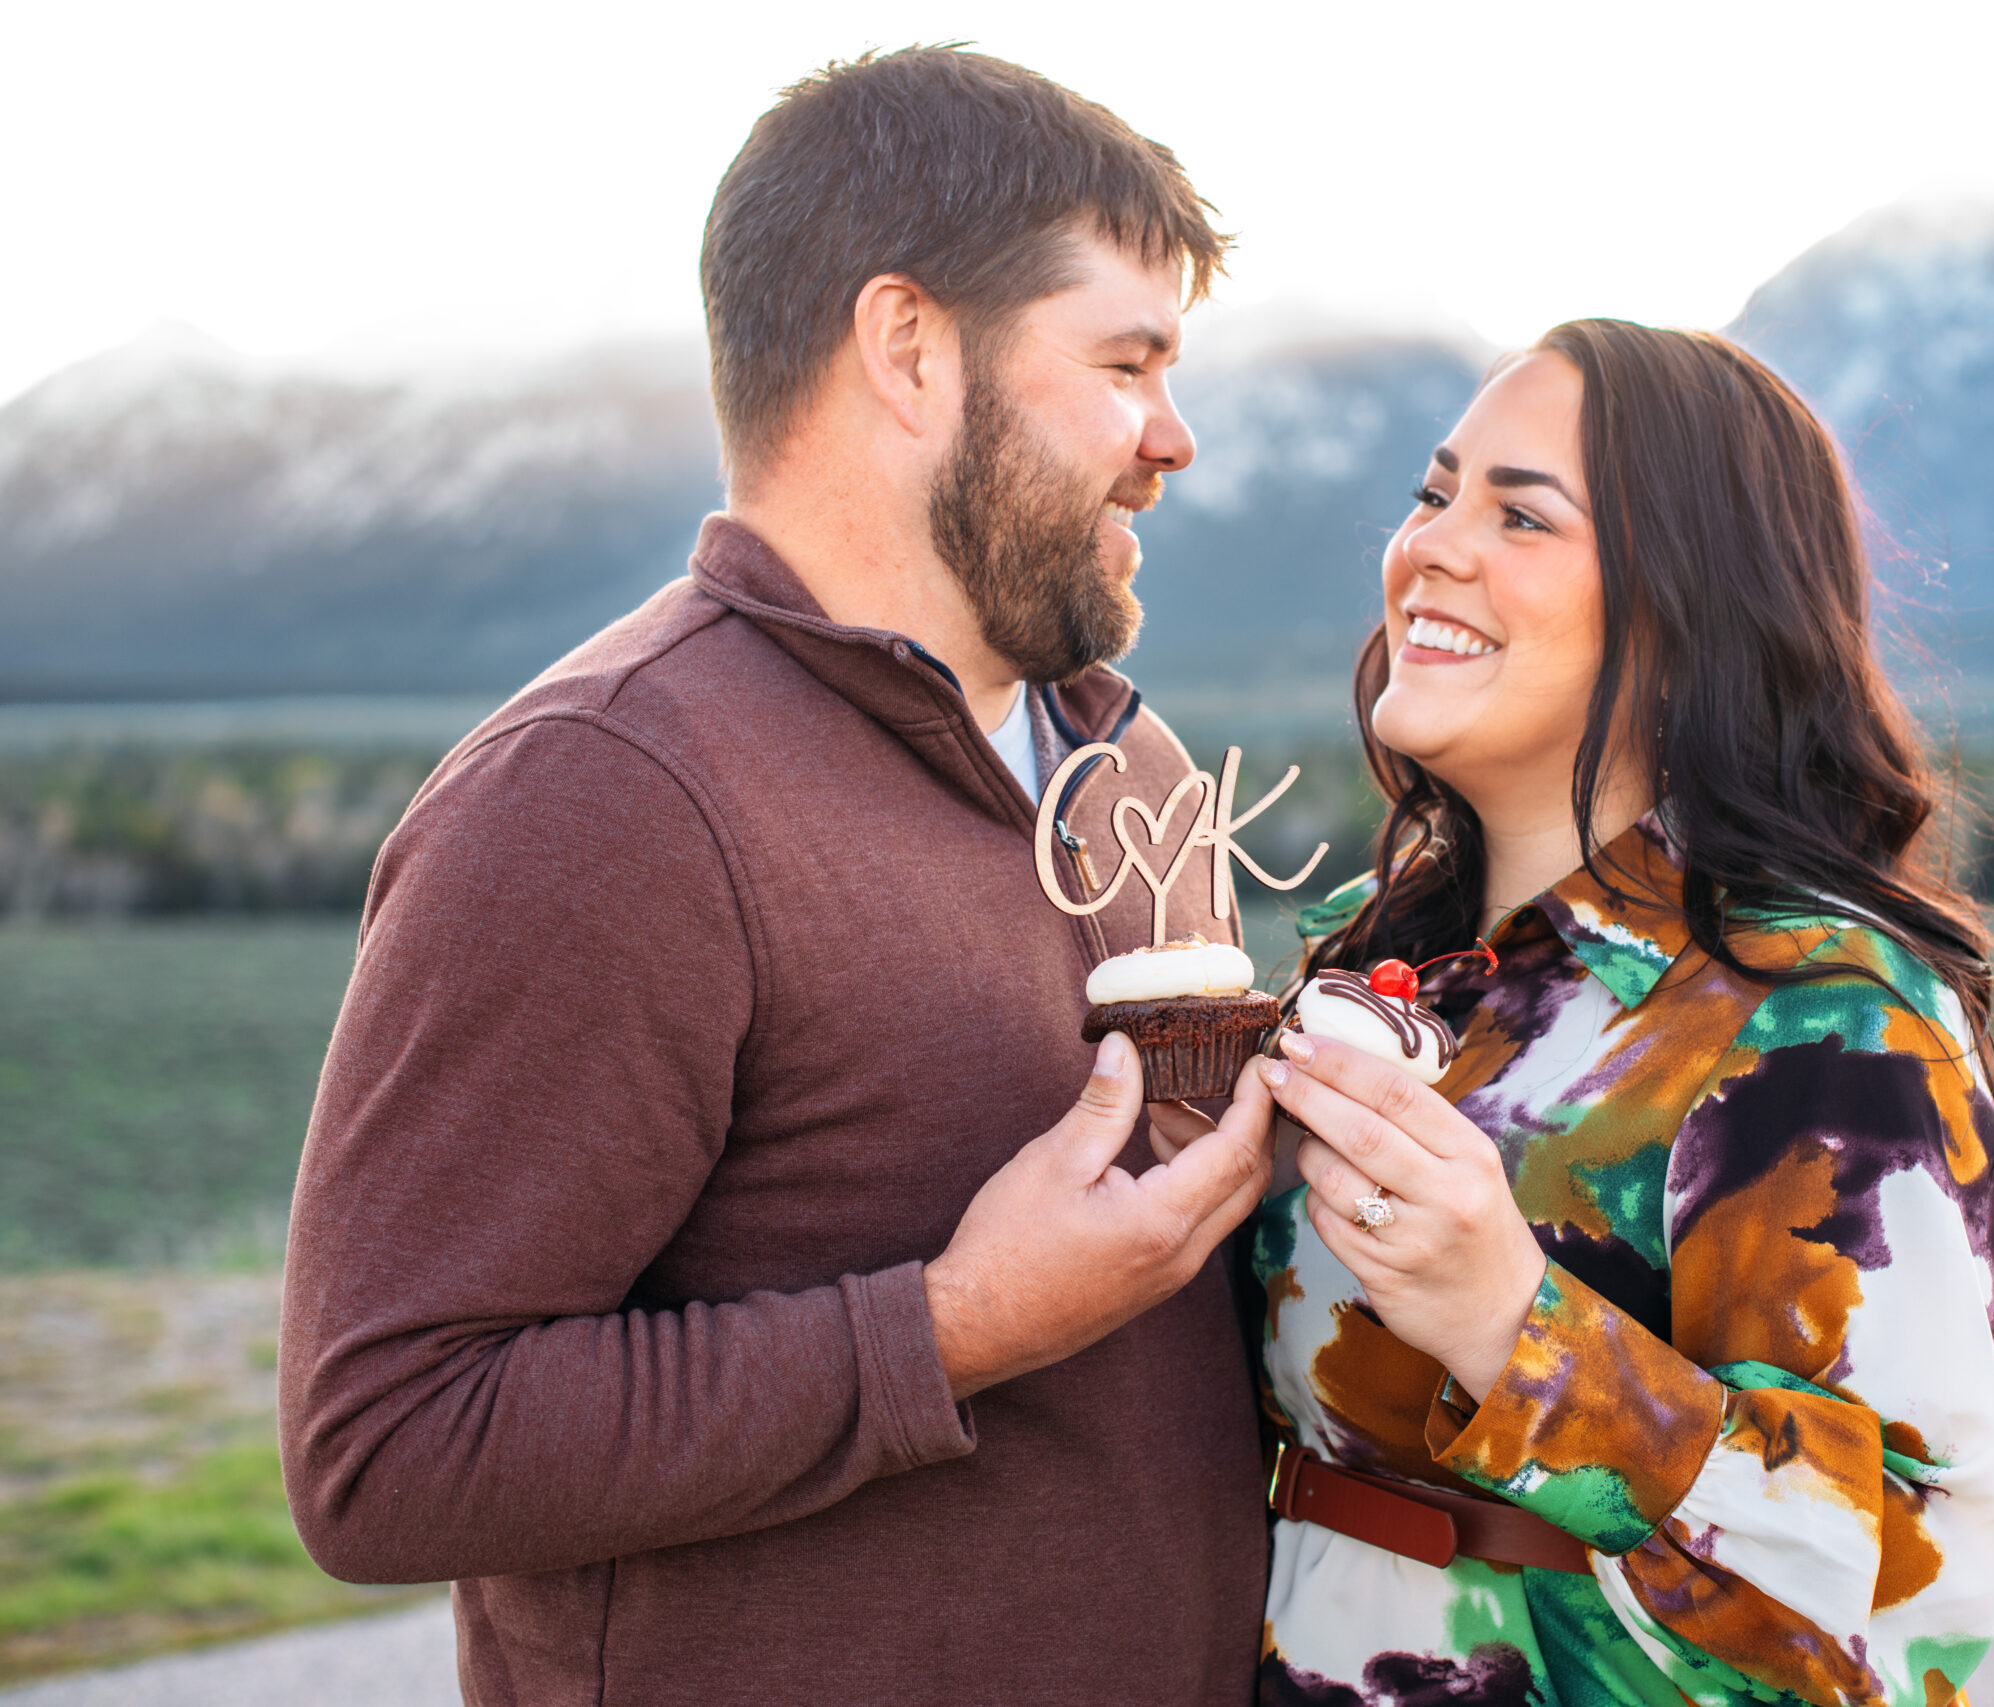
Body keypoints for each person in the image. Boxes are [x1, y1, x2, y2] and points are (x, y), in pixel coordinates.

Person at [277, 47, 1278, 1707]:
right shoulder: (606, 795)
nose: (1172, 437)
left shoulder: (1138, 777)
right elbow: (387, 1450)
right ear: (909, 349)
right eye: (1127, 361)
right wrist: (951, 1329)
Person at [1244, 321, 1994, 1707]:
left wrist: (1510, 1324)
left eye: (1521, 515)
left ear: (1687, 609)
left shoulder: (1819, 1017)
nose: (1431, 545)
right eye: (1436, 494)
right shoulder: (1367, 967)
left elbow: (1917, 1589)